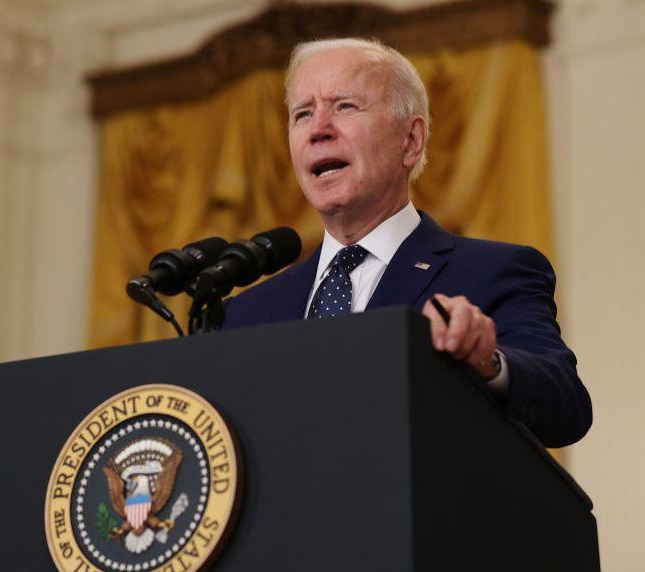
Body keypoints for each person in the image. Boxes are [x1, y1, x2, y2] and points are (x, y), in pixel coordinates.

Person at [221, 38, 591, 448]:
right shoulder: (245, 316)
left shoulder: (495, 272)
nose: (318, 130)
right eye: (302, 114)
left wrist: (487, 362)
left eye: (344, 106)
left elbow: (566, 405)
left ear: (412, 141)